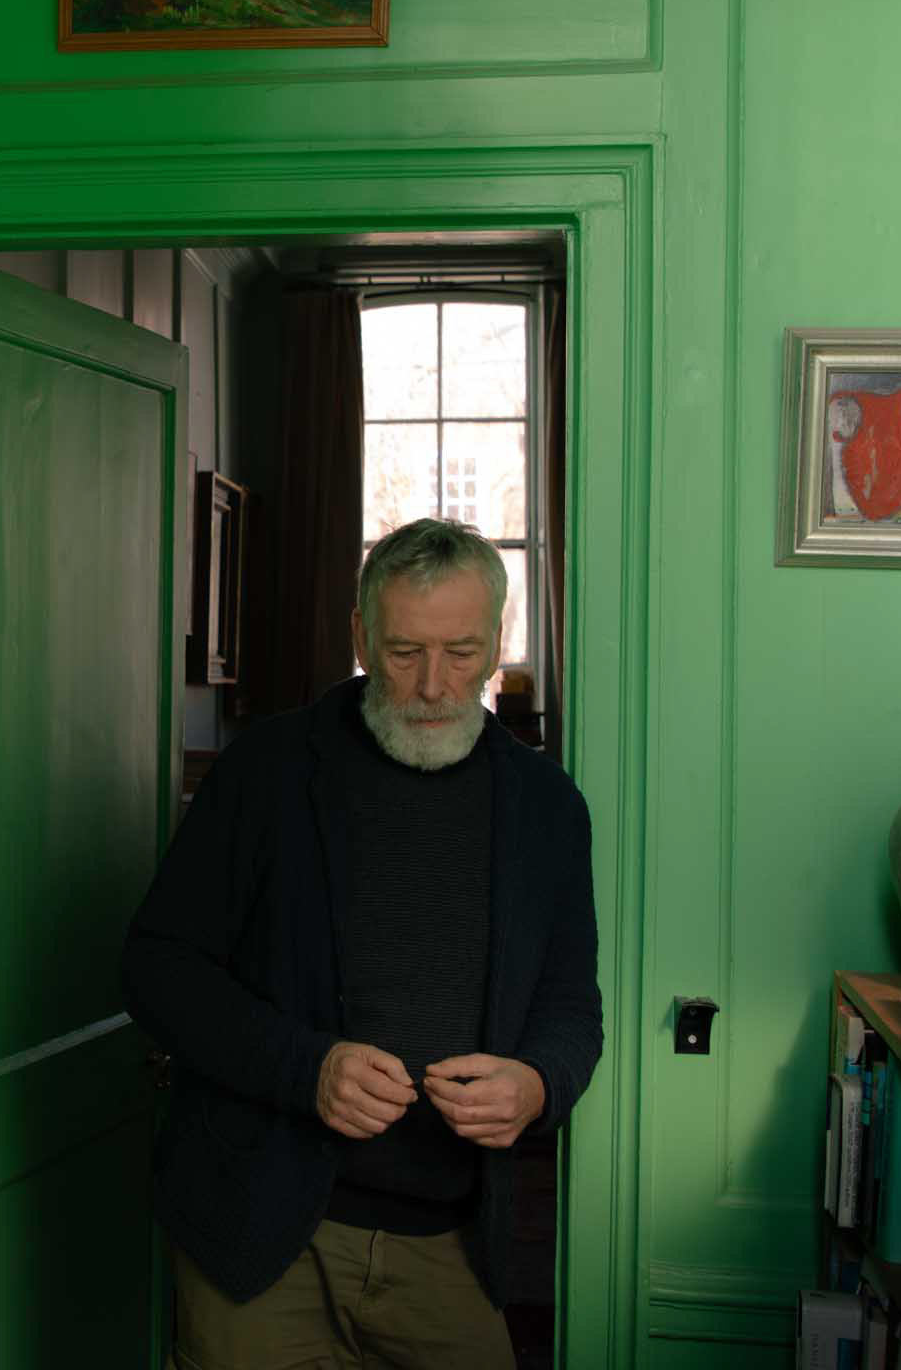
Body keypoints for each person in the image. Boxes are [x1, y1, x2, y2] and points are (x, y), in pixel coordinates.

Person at [122, 518, 603, 1369]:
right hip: (258, 1237)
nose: (432, 685)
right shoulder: (265, 771)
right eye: (405, 652)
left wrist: (537, 1084)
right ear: (360, 636)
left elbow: (570, 1007)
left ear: (496, 642)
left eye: (461, 652)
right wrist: (306, 1069)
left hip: (451, 1247)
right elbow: (156, 968)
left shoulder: (548, 806)